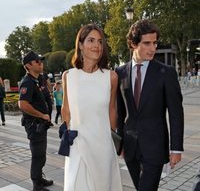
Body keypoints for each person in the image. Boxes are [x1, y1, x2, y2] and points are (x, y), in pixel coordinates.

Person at [116, 19, 184, 191]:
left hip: (155, 145)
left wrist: (176, 148)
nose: (153, 48)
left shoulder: (166, 73)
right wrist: (120, 143)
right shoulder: (120, 72)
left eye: (155, 43)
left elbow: (176, 113)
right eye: (147, 43)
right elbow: (120, 112)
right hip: (130, 146)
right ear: (133, 44)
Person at [61, 23, 123, 191]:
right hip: (78, 145)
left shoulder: (111, 77)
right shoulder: (68, 76)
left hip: (103, 146)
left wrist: (114, 140)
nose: (97, 45)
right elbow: (65, 111)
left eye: (100, 41)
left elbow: (112, 111)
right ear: (80, 45)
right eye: (91, 40)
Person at [18, 51, 53, 191]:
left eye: (41, 61)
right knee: (38, 155)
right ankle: (36, 185)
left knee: (41, 154)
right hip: (34, 125)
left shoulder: (36, 80)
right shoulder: (27, 82)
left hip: (40, 125)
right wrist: (41, 115)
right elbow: (23, 104)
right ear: (29, 65)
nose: (41, 63)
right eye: (37, 61)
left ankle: (39, 178)